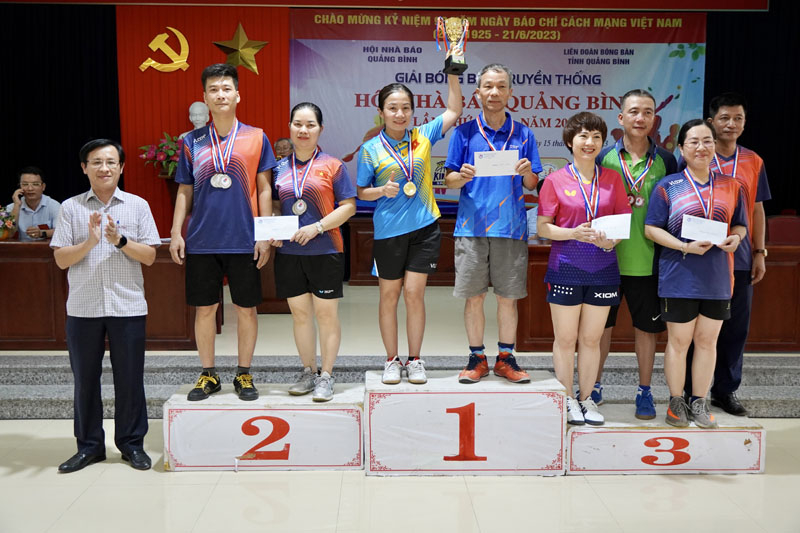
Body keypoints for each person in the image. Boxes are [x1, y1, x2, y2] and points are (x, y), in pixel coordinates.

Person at [51, 139, 161, 473]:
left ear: (121, 167)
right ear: (84, 167)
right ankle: (89, 447)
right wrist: (91, 242)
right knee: (85, 380)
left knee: (130, 379)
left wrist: (120, 241)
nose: (104, 168)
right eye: (96, 162)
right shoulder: (70, 208)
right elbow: (59, 259)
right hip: (83, 308)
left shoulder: (137, 206)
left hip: (127, 307)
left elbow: (151, 256)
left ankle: (131, 445)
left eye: (111, 162)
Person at [170, 63, 277, 401]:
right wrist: (176, 232)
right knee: (205, 309)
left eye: (226, 88)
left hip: (244, 238)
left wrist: (263, 233)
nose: (220, 94)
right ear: (204, 97)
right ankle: (208, 374)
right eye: (213, 89)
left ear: (237, 94)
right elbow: (184, 190)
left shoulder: (256, 137)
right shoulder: (191, 141)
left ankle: (243, 374)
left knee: (246, 308)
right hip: (202, 240)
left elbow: (264, 189)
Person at [357, 75, 462, 385]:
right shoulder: (370, 149)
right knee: (389, 297)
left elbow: (454, 111)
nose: (399, 114)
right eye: (392, 108)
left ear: (413, 111)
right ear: (381, 112)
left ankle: (415, 360)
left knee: (415, 295)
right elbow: (362, 191)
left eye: (405, 108)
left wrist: (453, 73)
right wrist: (381, 191)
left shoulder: (423, 136)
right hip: (388, 232)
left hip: (425, 228)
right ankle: (392, 359)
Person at [645, 119, 747, 429]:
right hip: (679, 276)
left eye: (707, 141)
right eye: (694, 142)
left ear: (715, 147)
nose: (701, 147)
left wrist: (737, 239)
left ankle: (699, 401)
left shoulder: (732, 186)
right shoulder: (669, 186)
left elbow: (740, 224)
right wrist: (683, 246)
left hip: (717, 279)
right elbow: (651, 229)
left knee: (707, 342)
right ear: (681, 148)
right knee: (678, 342)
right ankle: (677, 401)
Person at [444, 63, 542, 384]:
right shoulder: (464, 133)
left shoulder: (524, 133)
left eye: (501, 86)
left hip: (511, 228)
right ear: (477, 93)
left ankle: (505, 358)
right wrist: (462, 175)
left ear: (510, 93)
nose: (494, 93)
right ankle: (476, 358)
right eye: (488, 86)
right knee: (474, 297)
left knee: (507, 298)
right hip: (471, 228)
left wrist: (527, 171)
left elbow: (531, 184)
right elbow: (450, 181)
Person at [537, 112, 631, 426]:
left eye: (595, 137)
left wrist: (611, 242)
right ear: (569, 142)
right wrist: (574, 233)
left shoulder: (612, 179)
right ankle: (565, 399)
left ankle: (587, 398)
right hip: (565, 268)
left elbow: (622, 224)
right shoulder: (555, 180)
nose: (589, 143)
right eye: (583, 136)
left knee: (591, 340)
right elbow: (544, 228)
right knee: (565, 339)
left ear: (602, 143)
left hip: (603, 269)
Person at [683, 93, 771, 416]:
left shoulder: (753, 161)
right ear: (711, 121)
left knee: (735, 329)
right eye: (724, 118)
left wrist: (760, 251)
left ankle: (726, 391)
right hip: (698, 258)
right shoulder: (693, 156)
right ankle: (691, 391)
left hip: (741, 258)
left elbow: (758, 209)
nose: (731, 124)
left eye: (738, 119)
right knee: (695, 330)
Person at [594, 90, 677, 419]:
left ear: (655, 119)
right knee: (601, 329)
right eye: (634, 112)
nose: (640, 118)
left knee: (647, 330)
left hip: (648, 262)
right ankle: (593, 384)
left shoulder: (667, 161)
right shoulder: (603, 157)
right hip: (606, 261)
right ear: (621, 118)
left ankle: (644, 390)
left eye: (647, 112)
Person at [272, 103, 356, 401]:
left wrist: (317, 227)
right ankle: (308, 371)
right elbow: (272, 204)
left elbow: (348, 207)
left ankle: (327, 376)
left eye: (310, 125)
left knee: (326, 315)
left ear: (320, 129)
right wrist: (273, 229)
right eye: (298, 124)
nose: (303, 130)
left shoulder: (333, 165)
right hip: (290, 254)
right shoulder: (278, 168)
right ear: (290, 127)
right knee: (300, 315)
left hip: (326, 250)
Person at [7, 166, 61, 241]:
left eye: (35, 184)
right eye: (25, 184)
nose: (30, 188)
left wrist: (42, 233)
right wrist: (16, 205)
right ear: (20, 187)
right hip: (19, 250)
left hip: (47, 250)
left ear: (43, 187)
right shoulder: (12, 207)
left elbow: (61, 232)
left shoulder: (54, 206)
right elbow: (9, 234)